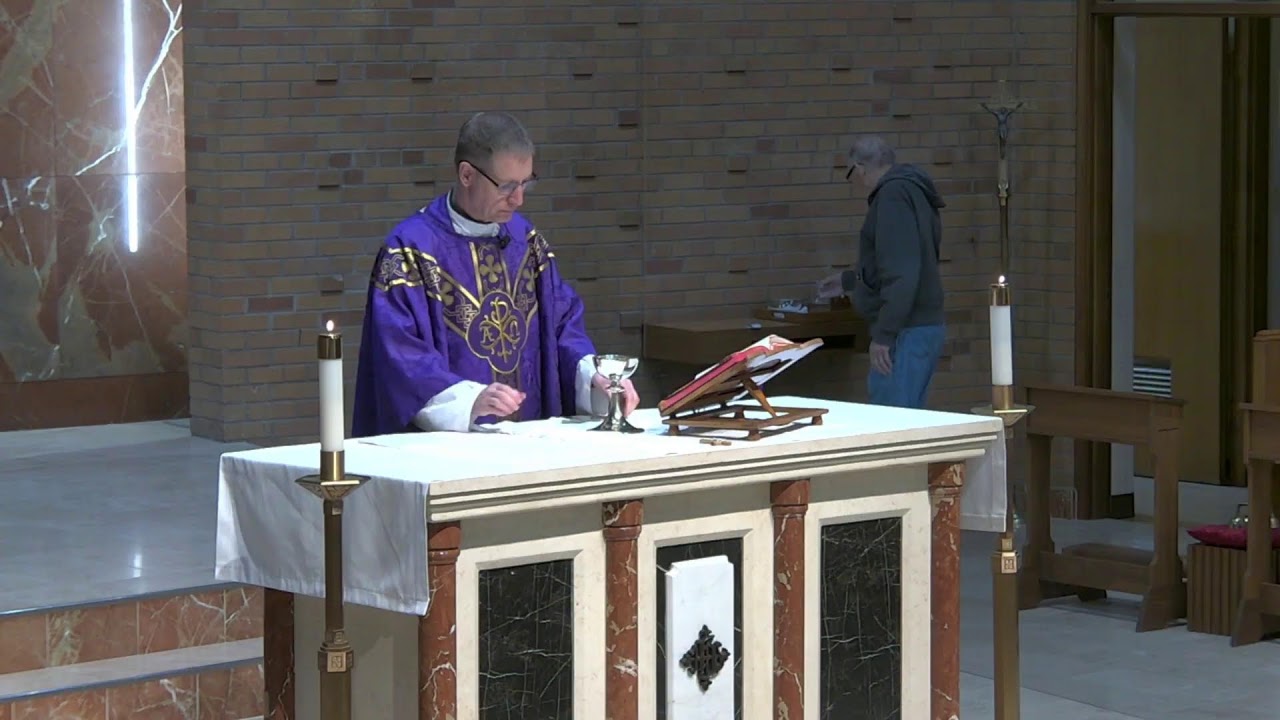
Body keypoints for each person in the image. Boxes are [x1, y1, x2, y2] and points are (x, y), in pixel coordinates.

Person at [351, 112, 639, 437]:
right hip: (447, 451)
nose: (518, 199)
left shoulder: (526, 242)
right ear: (466, 175)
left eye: (526, 183)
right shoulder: (410, 251)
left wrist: (593, 379)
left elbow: (561, 327)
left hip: (528, 444)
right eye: (506, 186)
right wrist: (470, 401)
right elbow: (399, 355)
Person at [817, 136, 947, 409]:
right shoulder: (913, 191)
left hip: (905, 331)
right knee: (907, 417)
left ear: (860, 168)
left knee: (893, 425)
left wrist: (884, 335)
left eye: (850, 173)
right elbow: (909, 260)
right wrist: (850, 281)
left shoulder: (891, 197)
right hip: (919, 326)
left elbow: (903, 273)